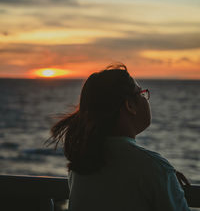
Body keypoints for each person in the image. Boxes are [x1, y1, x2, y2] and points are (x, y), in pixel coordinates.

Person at [48, 63, 191, 211]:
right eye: (141, 93)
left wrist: (165, 177)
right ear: (129, 105)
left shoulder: (80, 166)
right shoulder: (154, 169)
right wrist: (163, 176)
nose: (145, 98)